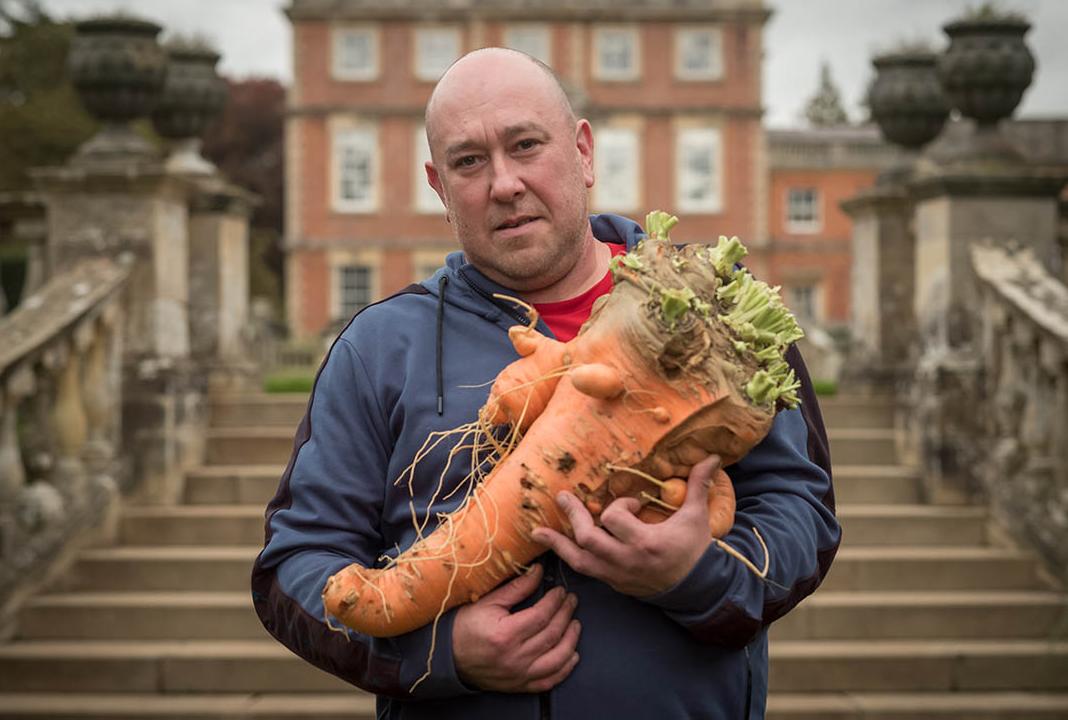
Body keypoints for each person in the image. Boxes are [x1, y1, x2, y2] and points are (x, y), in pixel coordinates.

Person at [252, 47, 841, 720]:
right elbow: (293, 569)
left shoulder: (716, 312)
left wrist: (695, 574)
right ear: (440, 188)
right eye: (468, 161)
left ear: (584, 152)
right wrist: (438, 653)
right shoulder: (379, 348)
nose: (503, 183)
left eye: (525, 144)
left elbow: (804, 512)